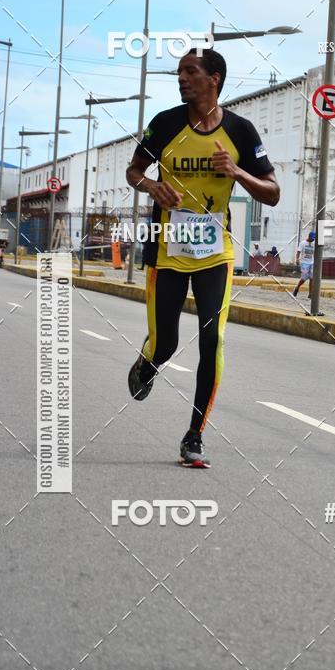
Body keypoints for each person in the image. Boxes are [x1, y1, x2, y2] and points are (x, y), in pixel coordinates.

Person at [126, 48, 279, 468]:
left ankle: (194, 435)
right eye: (179, 72)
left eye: (190, 72)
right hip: (167, 251)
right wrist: (152, 187)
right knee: (167, 343)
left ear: (215, 78)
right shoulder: (165, 123)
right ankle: (150, 360)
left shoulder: (242, 132)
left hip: (216, 253)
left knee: (213, 340)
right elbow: (134, 171)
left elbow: (272, 192)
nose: (181, 79)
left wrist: (237, 172)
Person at [293, 231, 315, 298]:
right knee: (304, 278)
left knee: (312, 278)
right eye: (312, 238)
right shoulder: (302, 243)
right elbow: (298, 252)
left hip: (312, 262)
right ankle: (297, 287)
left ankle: (310, 293)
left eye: (314, 238)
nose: (313, 240)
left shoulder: (314, 243)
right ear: (309, 237)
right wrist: (297, 259)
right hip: (304, 263)